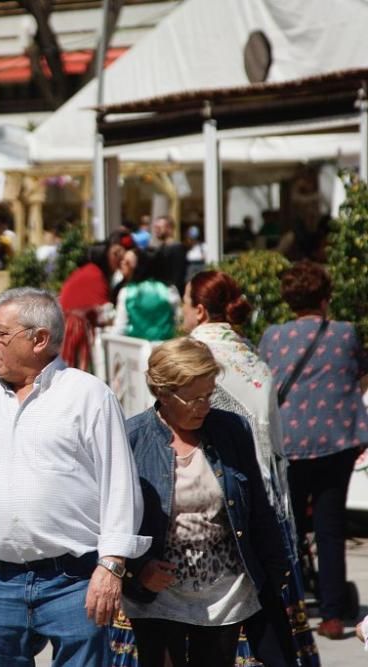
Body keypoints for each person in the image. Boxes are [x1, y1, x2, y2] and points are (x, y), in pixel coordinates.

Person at [0, 287, 150, 666]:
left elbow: (120, 487)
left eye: (1, 333)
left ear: (40, 339)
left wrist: (111, 567)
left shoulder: (88, 396)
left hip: (74, 581)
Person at [121, 338, 293, 667]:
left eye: (209, 395)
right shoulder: (132, 439)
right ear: (163, 393)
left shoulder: (231, 430)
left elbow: (258, 507)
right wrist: (138, 570)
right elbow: (110, 520)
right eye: (194, 398)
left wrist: (276, 574)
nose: (204, 406)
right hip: (160, 597)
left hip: (223, 595)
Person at [182, 269, 318, 664]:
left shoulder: (186, 355)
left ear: (201, 311)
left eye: (186, 303)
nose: (184, 311)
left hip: (203, 501)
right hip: (263, 503)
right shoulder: (253, 357)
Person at [259, 261, 368, 640]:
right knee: (330, 529)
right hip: (335, 442)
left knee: (286, 528)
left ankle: (288, 609)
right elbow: (357, 372)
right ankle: (334, 615)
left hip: (287, 445)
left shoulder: (273, 337)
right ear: (326, 296)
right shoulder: (345, 333)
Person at [58, 231, 133, 370]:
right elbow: (105, 314)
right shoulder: (94, 275)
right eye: (116, 253)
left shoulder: (92, 272)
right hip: (77, 333)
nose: (120, 259)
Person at [112, 248, 180, 342]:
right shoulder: (170, 289)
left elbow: (120, 328)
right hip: (165, 348)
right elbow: (178, 321)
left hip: (136, 349)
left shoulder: (127, 292)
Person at [149, 215, 188, 294]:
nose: (156, 231)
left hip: (171, 294)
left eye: (159, 228)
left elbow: (178, 277)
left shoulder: (177, 248)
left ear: (169, 228)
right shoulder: (160, 248)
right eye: (155, 228)